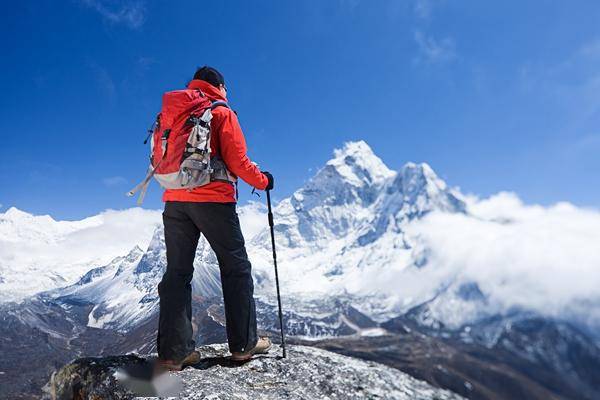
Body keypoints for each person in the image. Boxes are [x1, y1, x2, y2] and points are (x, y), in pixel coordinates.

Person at [155, 66, 274, 371]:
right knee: (236, 267)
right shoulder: (220, 112)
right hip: (213, 200)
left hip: (174, 201)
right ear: (220, 86)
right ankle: (244, 344)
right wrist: (263, 181)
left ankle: (174, 352)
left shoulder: (173, 113)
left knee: (177, 273)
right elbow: (238, 160)